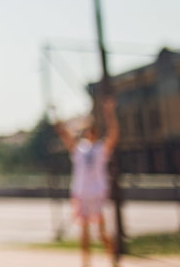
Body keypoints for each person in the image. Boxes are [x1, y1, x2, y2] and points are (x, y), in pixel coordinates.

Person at [55, 96, 120, 267]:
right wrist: (57, 114)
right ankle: (86, 264)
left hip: (96, 193)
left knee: (101, 233)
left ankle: (113, 262)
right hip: (82, 193)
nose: (89, 133)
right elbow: (65, 134)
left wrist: (110, 113)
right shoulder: (79, 149)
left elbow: (113, 135)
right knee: (84, 234)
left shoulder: (100, 149)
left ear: (95, 133)